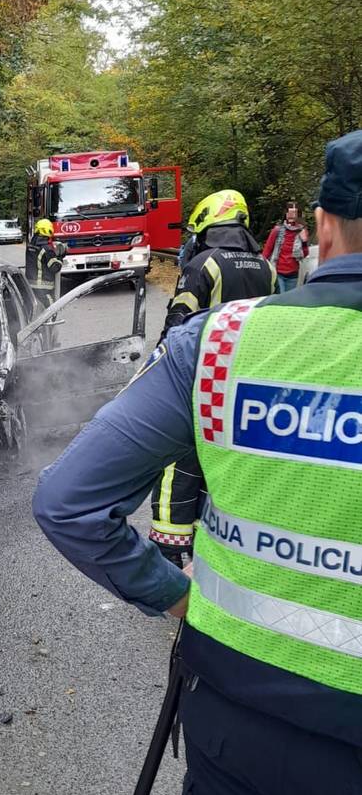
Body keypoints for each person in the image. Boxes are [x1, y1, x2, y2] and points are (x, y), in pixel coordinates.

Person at [32, 128, 362, 795]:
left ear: (323, 226)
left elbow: (67, 501)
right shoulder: (246, 272)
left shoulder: (219, 342)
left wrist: (175, 592)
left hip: (234, 727)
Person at [149, 190, 276, 565]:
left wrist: (159, 371)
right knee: (230, 461)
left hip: (205, 379)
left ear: (208, 223)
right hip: (250, 382)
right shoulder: (265, 265)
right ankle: (223, 544)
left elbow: (178, 324)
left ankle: (169, 550)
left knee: (178, 460)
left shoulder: (205, 264)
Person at [263, 202, 310, 292]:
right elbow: (267, 251)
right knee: (280, 298)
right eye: (290, 213)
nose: (291, 216)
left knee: (288, 301)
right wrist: (263, 268)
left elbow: (304, 255)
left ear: (298, 215)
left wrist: (304, 242)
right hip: (278, 272)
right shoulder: (277, 230)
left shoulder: (301, 231)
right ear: (286, 214)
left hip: (293, 274)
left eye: (294, 213)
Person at [27, 217, 62, 299]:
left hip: (31, 286)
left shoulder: (30, 246)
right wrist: (60, 257)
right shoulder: (47, 249)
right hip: (44, 288)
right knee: (51, 310)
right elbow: (55, 267)